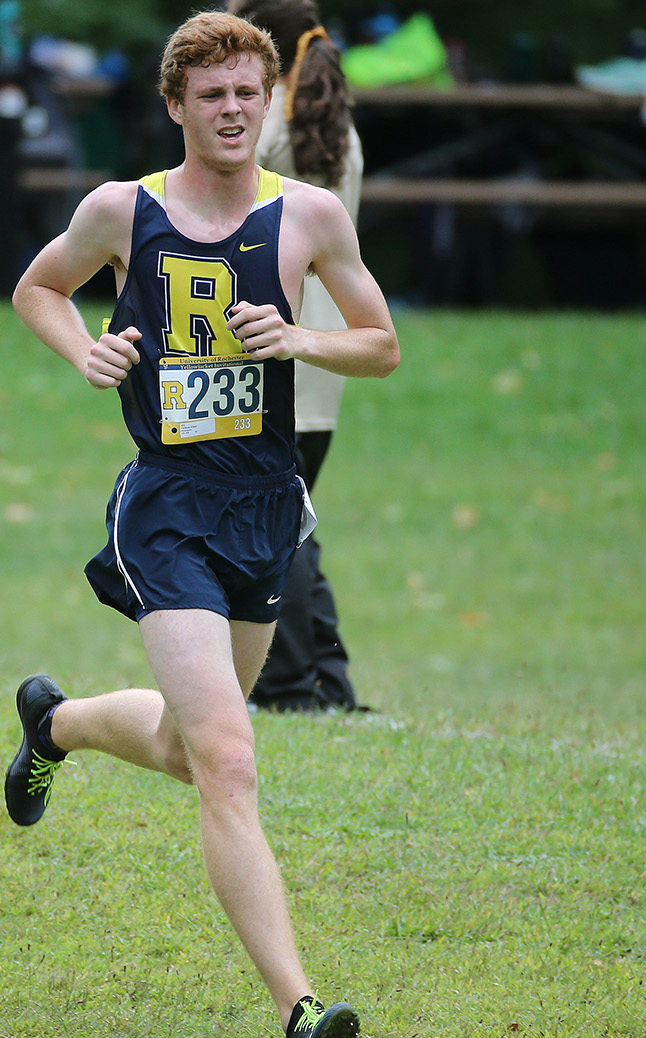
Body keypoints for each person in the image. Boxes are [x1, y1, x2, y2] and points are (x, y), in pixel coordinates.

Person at [6, 12, 398, 1038]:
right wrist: (86, 349)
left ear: (270, 103)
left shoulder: (308, 216)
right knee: (229, 757)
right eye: (211, 94)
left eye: (247, 94)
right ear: (176, 105)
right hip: (168, 510)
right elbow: (37, 287)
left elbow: (382, 344)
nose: (232, 110)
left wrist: (302, 335)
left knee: (189, 748)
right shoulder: (122, 211)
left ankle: (58, 724)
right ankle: (303, 1011)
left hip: (266, 510)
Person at [231, 0, 362, 714]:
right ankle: (328, 683)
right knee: (294, 518)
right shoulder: (330, 113)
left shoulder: (268, 123)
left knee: (284, 524)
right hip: (325, 346)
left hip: (275, 341)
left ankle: (296, 685)